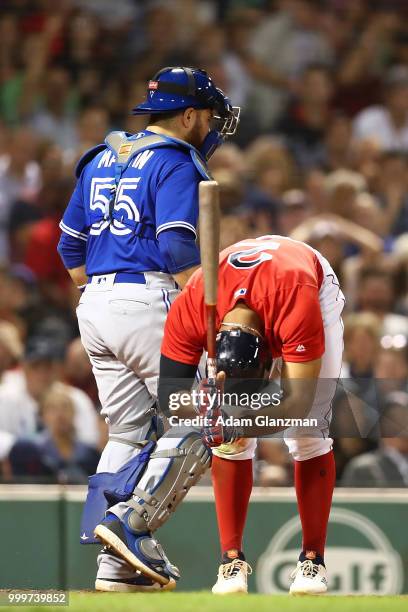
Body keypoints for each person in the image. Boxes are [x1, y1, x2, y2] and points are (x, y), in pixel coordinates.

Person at [57, 66, 240, 592]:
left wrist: (108, 293)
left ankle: (113, 568)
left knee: (128, 432)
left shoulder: (102, 156)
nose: (210, 126)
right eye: (205, 116)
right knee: (207, 414)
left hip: (95, 303)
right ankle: (130, 527)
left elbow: (71, 251)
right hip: (152, 297)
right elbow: (180, 248)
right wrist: (209, 320)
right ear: (187, 116)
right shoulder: (178, 161)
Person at [158, 234, 345, 595]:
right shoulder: (192, 304)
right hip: (255, 291)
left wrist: (237, 422)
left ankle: (313, 561)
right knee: (229, 440)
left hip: (305, 282)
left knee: (308, 431)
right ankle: (231, 562)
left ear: (270, 370)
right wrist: (205, 409)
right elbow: (169, 399)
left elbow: (298, 404)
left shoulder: (297, 298)